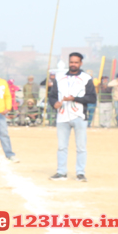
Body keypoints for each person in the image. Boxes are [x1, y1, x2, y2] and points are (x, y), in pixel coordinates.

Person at [48, 52, 95, 181]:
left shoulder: (86, 78)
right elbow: (52, 96)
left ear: (81, 63)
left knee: (81, 147)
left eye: (76, 62)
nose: (73, 64)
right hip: (62, 117)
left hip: (79, 116)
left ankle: (80, 173)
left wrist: (75, 98)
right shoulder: (59, 78)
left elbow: (92, 98)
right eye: (71, 62)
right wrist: (54, 104)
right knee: (61, 147)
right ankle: (61, 172)